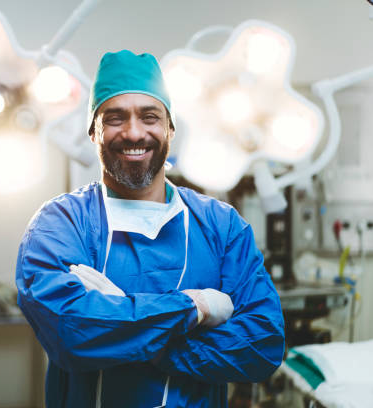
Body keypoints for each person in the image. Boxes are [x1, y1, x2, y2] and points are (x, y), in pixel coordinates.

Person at [15, 50, 285, 408]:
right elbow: (72, 334)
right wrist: (196, 308)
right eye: (114, 118)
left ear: (170, 128)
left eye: (150, 116)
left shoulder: (221, 227)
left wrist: (125, 324)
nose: (133, 132)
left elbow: (262, 345)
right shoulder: (60, 225)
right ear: (93, 132)